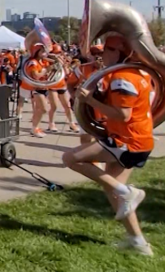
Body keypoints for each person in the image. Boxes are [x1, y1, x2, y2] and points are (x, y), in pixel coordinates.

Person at [62, 34, 156, 256]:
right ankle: (138, 242)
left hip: (128, 140)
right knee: (112, 192)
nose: (102, 54)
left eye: (107, 50)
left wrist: (90, 100)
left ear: (120, 52)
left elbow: (123, 115)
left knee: (70, 159)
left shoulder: (122, 77)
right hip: (135, 138)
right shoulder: (134, 73)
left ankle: (127, 192)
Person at [21, 43, 52, 137]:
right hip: (36, 88)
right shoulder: (33, 62)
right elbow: (36, 76)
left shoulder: (43, 62)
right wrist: (46, 70)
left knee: (39, 109)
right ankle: (34, 128)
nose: (44, 53)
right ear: (37, 52)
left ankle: (35, 127)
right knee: (43, 109)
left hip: (44, 87)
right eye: (42, 51)